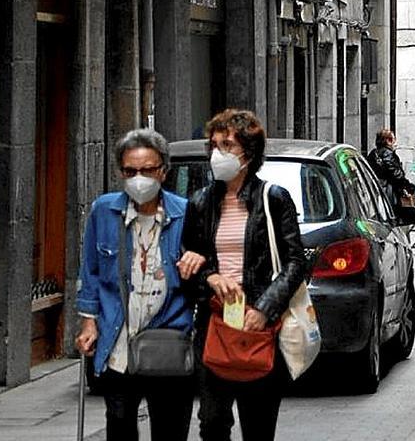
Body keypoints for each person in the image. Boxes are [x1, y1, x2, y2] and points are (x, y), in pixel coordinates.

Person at [75, 129, 206, 441]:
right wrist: (88, 323)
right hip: (118, 338)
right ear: (121, 171)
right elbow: (90, 270)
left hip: (168, 338)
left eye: (148, 170)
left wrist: (197, 261)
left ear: (163, 170)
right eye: (130, 171)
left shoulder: (186, 213)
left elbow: (204, 268)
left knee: (170, 428)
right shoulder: (104, 211)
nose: (139, 178)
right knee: (119, 424)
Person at [186, 109, 307, 440]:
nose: (217, 154)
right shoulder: (200, 202)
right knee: (211, 422)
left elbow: (295, 262)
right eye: (213, 146)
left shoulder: (273, 199)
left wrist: (264, 308)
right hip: (215, 322)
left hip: (259, 325)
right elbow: (188, 261)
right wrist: (209, 277)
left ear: (248, 153)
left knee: (258, 423)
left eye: (227, 145)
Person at [367, 128, 415, 208]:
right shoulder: (388, 154)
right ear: (388, 141)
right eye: (393, 139)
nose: (395, 143)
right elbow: (395, 174)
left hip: (376, 189)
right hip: (389, 190)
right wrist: (408, 186)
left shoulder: (373, 153)